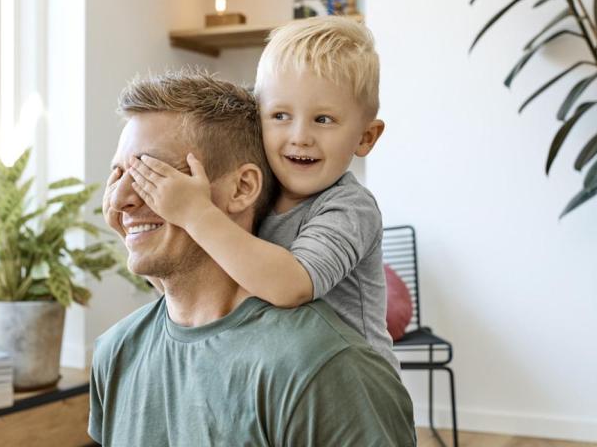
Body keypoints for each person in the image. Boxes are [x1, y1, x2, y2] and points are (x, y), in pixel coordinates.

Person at [92, 70, 415, 446]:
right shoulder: (115, 352)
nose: (119, 199)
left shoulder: (322, 369)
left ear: (242, 188)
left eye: (151, 173)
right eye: (117, 173)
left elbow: (294, 281)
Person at [128, 17, 398, 370]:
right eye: (280, 115)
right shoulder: (258, 194)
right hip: (285, 377)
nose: (300, 136)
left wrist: (196, 213)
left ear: (366, 137)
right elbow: (206, 284)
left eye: (324, 120)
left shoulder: (350, 207)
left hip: (354, 390)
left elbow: (291, 285)